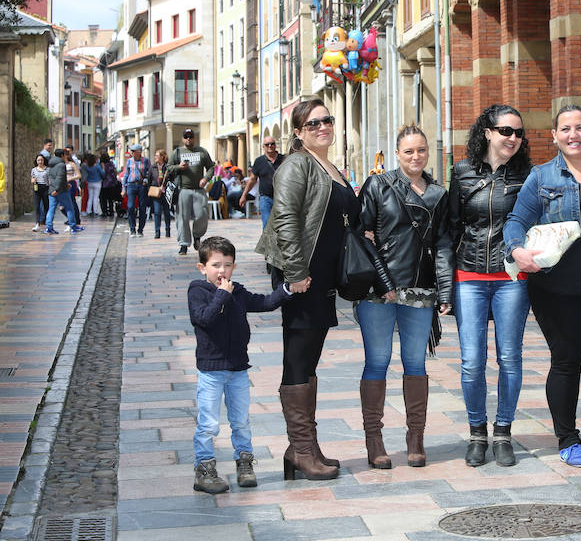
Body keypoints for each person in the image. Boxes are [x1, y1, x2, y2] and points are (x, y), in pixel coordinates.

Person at [504, 104, 581, 468]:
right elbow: (516, 220)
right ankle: (568, 439)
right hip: (558, 289)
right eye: (565, 129)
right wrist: (516, 250)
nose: (572, 135)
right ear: (555, 136)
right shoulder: (543, 177)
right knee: (566, 363)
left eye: (579, 128)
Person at [255, 99, 357, 481]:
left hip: (322, 276)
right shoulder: (296, 164)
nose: (322, 127)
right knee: (298, 355)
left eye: (327, 120)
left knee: (310, 356)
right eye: (312, 124)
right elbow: (285, 218)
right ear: (298, 132)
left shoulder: (330, 165)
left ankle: (304, 446)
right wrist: (295, 272)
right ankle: (300, 449)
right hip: (302, 274)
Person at [356, 125, 453, 470]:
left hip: (420, 289)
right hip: (378, 291)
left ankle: (416, 437)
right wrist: (384, 282)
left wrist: (445, 289)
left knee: (416, 363)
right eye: (409, 151)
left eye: (422, 150)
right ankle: (374, 439)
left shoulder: (439, 194)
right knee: (378, 361)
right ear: (396, 154)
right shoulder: (378, 186)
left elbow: (442, 244)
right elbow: (362, 236)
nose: (416, 157)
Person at [448, 105, 531, 468]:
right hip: (469, 275)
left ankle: (503, 432)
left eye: (517, 132)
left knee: (510, 358)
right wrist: (443, 286)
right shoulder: (462, 173)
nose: (512, 138)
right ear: (487, 132)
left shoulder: (529, 175)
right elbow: (449, 230)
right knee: (471, 362)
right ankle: (477, 433)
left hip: (512, 277)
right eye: (505, 131)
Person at [188, 236, 293, 493]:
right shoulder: (198, 290)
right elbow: (204, 319)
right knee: (209, 423)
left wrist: (287, 288)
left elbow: (264, 303)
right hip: (211, 370)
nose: (222, 271)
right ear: (202, 268)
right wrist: (222, 295)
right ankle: (204, 469)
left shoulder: (238, 291)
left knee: (241, 421)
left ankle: (244, 463)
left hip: (237, 368)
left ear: (234, 266)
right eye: (215, 265)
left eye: (227, 265)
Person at [167, 129, 214, 255]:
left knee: (202, 214)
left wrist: (206, 178)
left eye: (191, 137)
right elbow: (168, 167)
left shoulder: (202, 151)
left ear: (194, 138)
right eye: (186, 137)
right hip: (183, 189)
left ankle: (197, 236)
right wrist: (179, 167)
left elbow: (211, 167)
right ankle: (183, 244)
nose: (188, 139)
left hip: (199, 189)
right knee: (182, 217)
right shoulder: (177, 152)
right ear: (183, 139)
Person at [241, 136, 285, 228]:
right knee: (267, 224)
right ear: (263, 147)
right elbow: (252, 180)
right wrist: (244, 195)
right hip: (266, 198)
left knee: (283, 223)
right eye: (267, 144)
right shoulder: (259, 161)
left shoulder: (284, 159)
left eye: (272, 144)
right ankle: (268, 242)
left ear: (275, 145)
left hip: (282, 197)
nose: (270, 146)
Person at [45, 149, 84, 235]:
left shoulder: (50, 164)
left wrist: (65, 185)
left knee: (51, 209)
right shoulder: (61, 165)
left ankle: (49, 227)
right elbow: (60, 178)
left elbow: (52, 178)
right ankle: (73, 226)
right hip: (61, 190)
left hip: (52, 189)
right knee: (69, 208)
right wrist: (58, 189)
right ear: (62, 155)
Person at [121, 144, 150, 237]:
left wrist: (146, 180)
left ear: (139, 152)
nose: (131, 153)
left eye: (133, 151)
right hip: (131, 185)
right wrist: (123, 189)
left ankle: (140, 230)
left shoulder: (145, 161)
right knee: (130, 207)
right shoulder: (129, 161)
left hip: (142, 185)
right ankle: (132, 229)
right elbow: (126, 175)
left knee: (142, 207)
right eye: (131, 151)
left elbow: (149, 173)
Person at [148, 149, 172, 238]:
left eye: (157, 156)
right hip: (156, 193)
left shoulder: (167, 167)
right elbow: (149, 180)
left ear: (162, 157)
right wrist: (152, 189)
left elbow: (171, 179)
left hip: (166, 193)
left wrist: (165, 187)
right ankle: (157, 232)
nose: (155, 157)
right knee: (157, 212)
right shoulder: (152, 167)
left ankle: (167, 230)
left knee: (166, 212)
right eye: (155, 156)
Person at [31, 154, 50, 232]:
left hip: (45, 188)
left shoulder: (48, 169)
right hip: (37, 188)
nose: (40, 162)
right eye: (38, 160)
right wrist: (33, 181)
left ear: (44, 160)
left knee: (46, 206)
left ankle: (46, 221)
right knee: (37, 206)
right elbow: (32, 179)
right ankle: (37, 223)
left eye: (41, 160)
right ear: (36, 161)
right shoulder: (34, 170)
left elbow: (50, 179)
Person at [99, 153, 119, 218]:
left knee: (103, 199)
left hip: (104, 184)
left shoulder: (103, 165)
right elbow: (115, 172)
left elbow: (103, 174)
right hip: (112, 184)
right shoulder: (111, 164)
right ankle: (111, 211)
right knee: (110, 199)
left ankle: (104, 212)